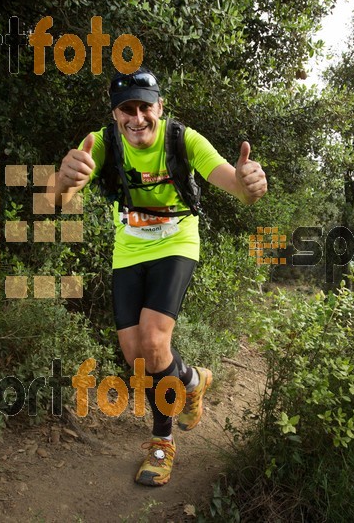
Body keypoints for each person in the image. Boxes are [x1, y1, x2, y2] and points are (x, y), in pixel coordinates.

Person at [47, 67, 267, 486]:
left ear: (159, 108)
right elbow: (58, 197)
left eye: (144, 107)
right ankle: (192, 378)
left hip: (176, 242)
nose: (136, 118)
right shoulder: (102, 143)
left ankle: (161, 442)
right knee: (135, 357)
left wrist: (246, 183)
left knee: (153, 341)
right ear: (115, 114)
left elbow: (230, 181)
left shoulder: (182, 138)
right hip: (129, 246)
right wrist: (62, 180)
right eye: (125, 109)